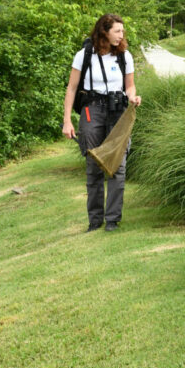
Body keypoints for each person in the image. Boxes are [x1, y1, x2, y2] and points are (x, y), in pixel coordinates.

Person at [61, 13, 142, 232]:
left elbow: (130, 86)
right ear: (104, 31)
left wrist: (133, 96)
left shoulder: (125, 56)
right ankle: (95, 220)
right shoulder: (84, 55)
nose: (121, 35)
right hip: (92, 109)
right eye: (117, 31)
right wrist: (67, 121)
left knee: (118, 164)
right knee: (93, 164)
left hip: (118, 110)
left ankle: (113, 220)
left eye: (122, 31)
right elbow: (71, 88)